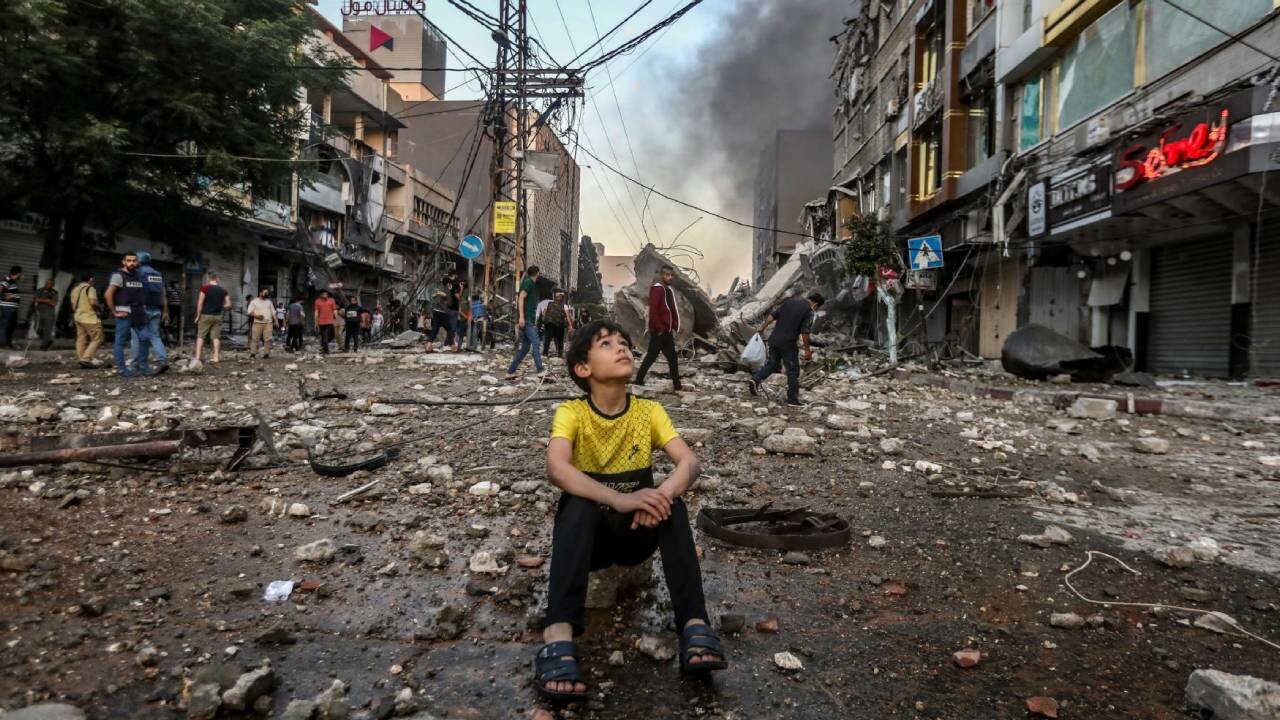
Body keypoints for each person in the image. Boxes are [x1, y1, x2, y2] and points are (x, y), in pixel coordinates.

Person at [534, 320, 727, 702]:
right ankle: (558, 632)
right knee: (578, 503)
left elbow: (688, 461)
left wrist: (662, 493)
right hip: (592, 543)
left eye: (624, 342)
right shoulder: (571, 413)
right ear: (583, 369)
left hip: (638, 534)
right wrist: (621, 498)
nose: (622, 348)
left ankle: (693, 623)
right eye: (606, 344)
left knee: (673, 505)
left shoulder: (648, 411)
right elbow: (557, 468)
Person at [748, 291, 825, 406]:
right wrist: (807, 350)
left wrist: (762, 328)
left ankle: (755, 379)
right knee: (793, 370)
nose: (815, 310)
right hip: (788, 343)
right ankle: (792, 399)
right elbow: (805, 333)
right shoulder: (808, 311)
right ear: (815, 304)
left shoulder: (789, 302)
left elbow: (772, 316)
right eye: (817, 308)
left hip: (774, 339)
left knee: (772, 364)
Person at [104, 252, 155, 377]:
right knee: (120, 342)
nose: (131, 263)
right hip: (124, 313)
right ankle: (122, 370)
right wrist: (114, 312)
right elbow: (108, 294)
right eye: (128, 260)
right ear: (123, 262)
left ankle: (143, 367)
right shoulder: (118, 275)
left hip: (139, 314)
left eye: (134, 260)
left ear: (137, 262)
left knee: (145, 339)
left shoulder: (139, 275)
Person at [634, 265, 682, 391]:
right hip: (659, 331)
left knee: (672, 357)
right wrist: (659, 328)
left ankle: (677, 384)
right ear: (661, 275)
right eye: (667, 275)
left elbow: (671, 310)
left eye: (671, 275)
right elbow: (654, 311)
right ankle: (638, 380)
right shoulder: (657, 289)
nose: (670, 277)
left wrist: (674, 326)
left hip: (667, 331)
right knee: (651, 356)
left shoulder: (668, 290)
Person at [129, 251, 169, 374]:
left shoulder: (137, 273)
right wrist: (165, 311)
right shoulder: (157, 274)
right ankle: (162, 360)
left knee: (136, 337)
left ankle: (134, 365)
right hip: (156, 310)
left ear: (139, 261)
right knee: (154, 336)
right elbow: (163, 293)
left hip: (141, 309)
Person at [506, 266, 545, 380]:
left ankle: (510, 372)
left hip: (528, 320)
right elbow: (521, 298)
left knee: (525, 348)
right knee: (536, 342)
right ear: (537, 273)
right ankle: (540, 370)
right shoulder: (529, 282)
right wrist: (521, 318)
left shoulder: (530, 283)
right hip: (526, 319)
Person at [191, 272, 231, 366]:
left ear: (208, 279)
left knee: (201, 336)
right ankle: (216, 357)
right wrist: (220, 306)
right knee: (216, 337)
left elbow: (200, 303)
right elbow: (229, 305)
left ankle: (198, 357)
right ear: (217, 279)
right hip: (217, 316)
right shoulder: (223, 290)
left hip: (206, 315)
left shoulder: (205, 288)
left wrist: (197, 316)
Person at [70, 271, 103, 368]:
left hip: (78, 317)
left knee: (81, 339)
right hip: (89, 318)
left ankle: (81, 359)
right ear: (91, 279)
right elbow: (93, 302)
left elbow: (73, 306)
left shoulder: (75, 289)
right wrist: (99, 307)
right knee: (98, 338)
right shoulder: (90, 288)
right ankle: (86, 359)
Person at [541, 290, 572, 359]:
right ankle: (560, 354)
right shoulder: (564, 306)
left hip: (549, 324)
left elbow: (544, 312)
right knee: (560, 340)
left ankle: (545, 353)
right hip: (559, 324)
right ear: (562, 298)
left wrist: (544, 321)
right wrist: (570, 325)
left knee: (547, 339)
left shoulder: (549, 304)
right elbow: (567, 316)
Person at [424, 281, 454, 353]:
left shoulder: (437, 291)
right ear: (448, 284)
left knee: (435, 330)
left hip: (435, 312)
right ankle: (453, 346)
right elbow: (450, 303)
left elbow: (432, 300)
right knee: (449, 329)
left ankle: (428, 345)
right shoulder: (447, 291)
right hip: (443, 312)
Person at [246, 288, 275, 359]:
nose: (266, 294)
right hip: (257, 323)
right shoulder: (254, 302)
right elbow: (249, 312)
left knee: (267, 339)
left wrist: (276, 321)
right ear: (260, 293)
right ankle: (253, 353)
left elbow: (273, 312)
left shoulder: (269, 302)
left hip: (268, 323)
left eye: (267, 293)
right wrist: (257, 316)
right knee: (255, 339)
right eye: (265, 292)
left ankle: (266, 354)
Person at [32, 278, 58, 351]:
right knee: (37, 328)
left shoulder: (54, 292)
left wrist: (42, 300)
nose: (48, 285)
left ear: (53, 285)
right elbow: (35, 299)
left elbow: (54, 303)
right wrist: (47, 300)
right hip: (39, 313)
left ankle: (44, 345)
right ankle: (47, 340)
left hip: (49, 314)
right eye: (47, 283)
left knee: (47, 330)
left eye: (50, 283)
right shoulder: (40, 290)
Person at [0, 266, 23, 348]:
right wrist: (3, 297)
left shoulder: (12, 281)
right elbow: (0, 289)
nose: (22, 276)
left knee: (11, 326)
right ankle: (2, 344)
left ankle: (8, 343)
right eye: (21, 274)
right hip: (8, 307)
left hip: (12, 307)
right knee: (4, 325)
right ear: (18, 273)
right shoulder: (7, 280)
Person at [313, 289, 338, 355]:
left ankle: (324, 345)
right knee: (324, 336)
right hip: (321, 322)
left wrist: (336, 317)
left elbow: (334, 309)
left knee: (332, 335)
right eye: (324, 294)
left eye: (326, 294)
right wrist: (316, 322)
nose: (325, 295)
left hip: (330, 321)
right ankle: (326, 351)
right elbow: (316, 312)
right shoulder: (317, 301)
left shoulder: (331, 300)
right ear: (320, 295)